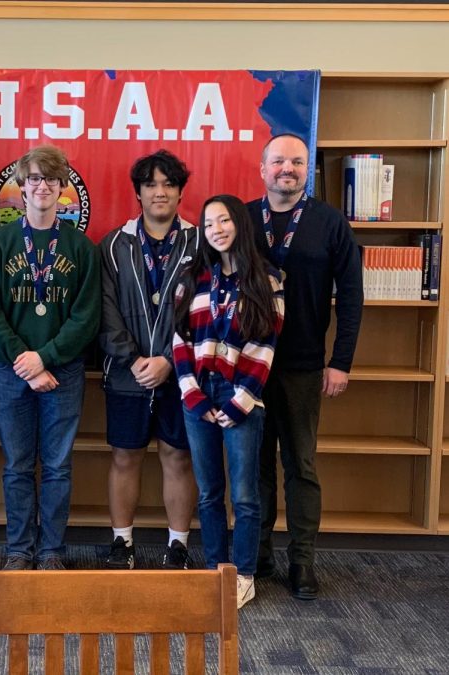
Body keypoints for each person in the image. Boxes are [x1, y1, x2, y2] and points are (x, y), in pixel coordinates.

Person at [248, 134, 363, 600]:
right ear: (263, 168)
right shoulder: (242, 220)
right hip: (248, 364)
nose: (287, 169)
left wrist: (341, 362)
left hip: (301, 365)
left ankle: (302, 562)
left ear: (306, 170)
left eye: (296, 162)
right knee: (253, 467)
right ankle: (256, 556)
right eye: (278, 161)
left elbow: (351, 297)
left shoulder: (330, 222)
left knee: (301, 466)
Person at [0, 145, 100, 571]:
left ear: (64, 189)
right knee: (17, 466)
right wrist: (24, 363)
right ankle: (18, 550)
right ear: (21, 187)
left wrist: (44, 359)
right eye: (34, 179)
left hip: (62, 372)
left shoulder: (82, 248)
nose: (42, 186)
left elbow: (86, 317)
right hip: (10, 372)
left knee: (58, 467)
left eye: (51, 180)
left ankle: (51, 551)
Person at [172, 194, 284, 609]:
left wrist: (239, 402)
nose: (216, 229)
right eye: (208, 224)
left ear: (239, 223)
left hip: (243, 396)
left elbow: (265, 345)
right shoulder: (192, 277)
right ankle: (216, 569)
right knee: (208, 492)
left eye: (223, 221)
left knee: (245, 495)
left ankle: (243, 574)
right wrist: (194, 396)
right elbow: (179, 339)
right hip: (197, 396)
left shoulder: (267, 280)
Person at [99, 150, 199, 570]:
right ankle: (122, 543)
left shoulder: (201, 242)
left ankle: (178, 545)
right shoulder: (114, 244)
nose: (160, 192)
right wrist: (136, 359)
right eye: (151, 185)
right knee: (125, 456)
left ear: (179, 192)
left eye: (169, 184)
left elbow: (205, 312)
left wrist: (168, 362)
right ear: (138, 192)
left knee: (178, 456)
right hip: (127, 374)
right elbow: (104, 309)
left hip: (182, 375)